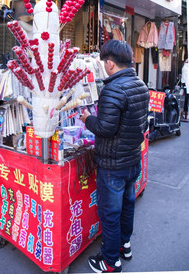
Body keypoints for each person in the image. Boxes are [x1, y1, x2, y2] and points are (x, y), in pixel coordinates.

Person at [80, 40, 149, 273]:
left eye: (103, 63)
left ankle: (110, 261)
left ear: (110, 63)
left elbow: (105, 128)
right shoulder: (140, 84)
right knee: (127, 206)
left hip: (112, 165)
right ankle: (124, 246)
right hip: (132, 160)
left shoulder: (113, 89)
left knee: (109, 213)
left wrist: (86, 118)